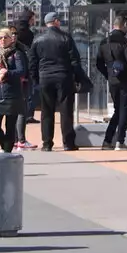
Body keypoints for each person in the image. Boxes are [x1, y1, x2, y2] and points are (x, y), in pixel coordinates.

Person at [32, 12, 87, 151]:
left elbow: (33, 62)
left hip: (45, 77)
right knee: (66, 110)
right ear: (55, 21)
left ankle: (47, 143)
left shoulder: (38, 39)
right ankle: (68, 143)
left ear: (46, 23)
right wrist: (79, 78)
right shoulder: (65, 38)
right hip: (63, 76)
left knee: (46, 111)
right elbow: (75, 60)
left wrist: (35, 80)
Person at [95, 17, 127, 150]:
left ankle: (107, 140)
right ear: (123, 25)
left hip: (112, 80)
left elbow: (98, 63)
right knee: (124, 110)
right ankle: (120, 141)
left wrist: (108, 74)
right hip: (125, 80)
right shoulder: (126, 42)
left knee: (118, 110)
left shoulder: (104, 42)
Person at [0, 28, 28, 152]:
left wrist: (6, 73)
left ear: (10, 39)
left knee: (10, 125)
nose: (3, 40)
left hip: (12, 94)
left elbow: (21, 71)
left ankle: (7, 152)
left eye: (5, 37)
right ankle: (4, 146)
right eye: (0, 38)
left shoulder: (17, 54)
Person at [13, 12, 38, 148]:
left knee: (13, 108)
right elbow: (30, 52)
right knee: (22, 107)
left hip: (12, 73)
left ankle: (14, 138)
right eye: (33, 19)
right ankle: (21, 140)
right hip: (24, 72)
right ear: (29, 19)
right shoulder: (28, 33)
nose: (34, 21)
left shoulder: (14, 30)